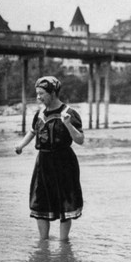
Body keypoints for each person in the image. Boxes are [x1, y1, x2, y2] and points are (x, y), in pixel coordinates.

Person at [15, 76, 84, 241]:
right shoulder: (39, 114)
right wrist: (21, 145)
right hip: (43, 162)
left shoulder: (69, 113)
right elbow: (32, 132)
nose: (38, 97)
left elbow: (80, 140)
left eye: (41, 94)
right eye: (37, 94)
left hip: (64, 162)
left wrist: (68, 124)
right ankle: (43, 243)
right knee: (40, 201)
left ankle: (63, 242)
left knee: (65, 202)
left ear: (53, 93)